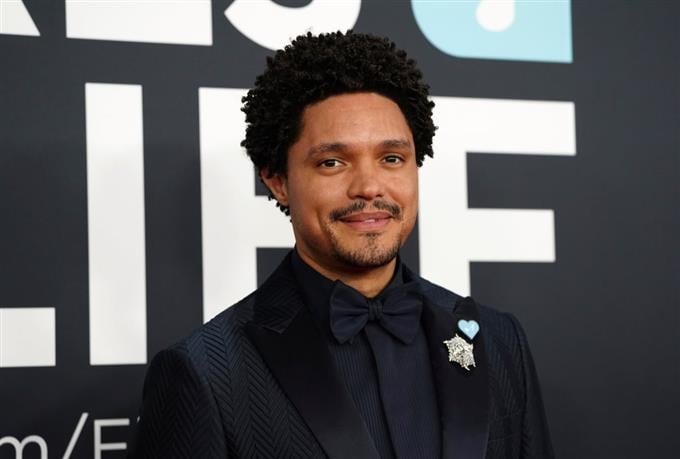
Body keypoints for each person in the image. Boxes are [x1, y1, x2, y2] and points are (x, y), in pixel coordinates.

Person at [130, 31, 553, 459]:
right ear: (277, 181)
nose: (369, 186)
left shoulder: (497, 340)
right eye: (332, 162)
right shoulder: (203, 372)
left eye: (391, 158)